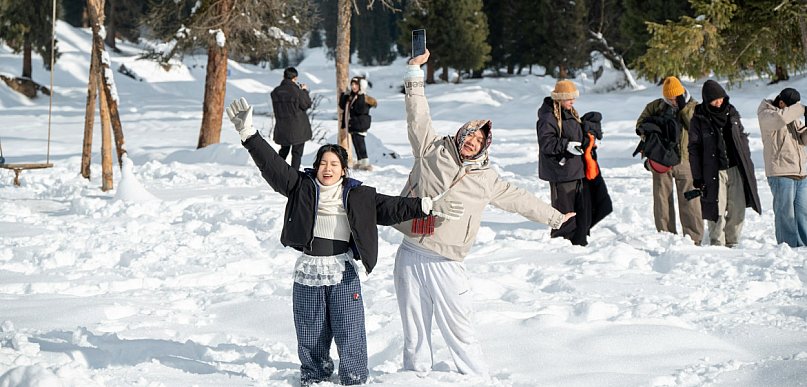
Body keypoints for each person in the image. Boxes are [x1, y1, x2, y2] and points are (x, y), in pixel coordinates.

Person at [226, 97, 465, 386]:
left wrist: (423, 205)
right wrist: (248, 134)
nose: (328, 168)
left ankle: (354, 378)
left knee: (350, 330)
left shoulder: (359, 196)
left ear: (343, 170)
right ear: (315, 168)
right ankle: (314, 376)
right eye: (323, 163)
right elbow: (273, 166)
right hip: (309, 272)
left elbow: (392, 207)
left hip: (342, 273)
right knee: (310, 331)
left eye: (334, 164)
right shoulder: (300, 187)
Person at [392, 50, 575, 377]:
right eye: (470, 135)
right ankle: (414, 378)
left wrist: (555, 218)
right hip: (409, 252)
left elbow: (519, 199)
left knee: (460, 331)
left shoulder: (486, 179)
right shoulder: (431, 150)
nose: (472, 141)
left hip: (446, 261)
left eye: (479, 139)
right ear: (461, 133)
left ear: (485, 145)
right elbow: (417, 113)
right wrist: (414, 74)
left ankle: (477, 378)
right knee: (414, 332)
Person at [536, 80, 610, 246]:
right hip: (561, 172)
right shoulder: (548, 117)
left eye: (573, 98)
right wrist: (566, 145)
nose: (572, 101)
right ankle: (562, 243)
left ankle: (577, 241)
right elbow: (546, 143)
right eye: (569, 98)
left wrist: (588, 139)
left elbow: (574, 135)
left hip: (575, 169)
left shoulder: (569, 113)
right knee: (564, 210)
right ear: (560, 98)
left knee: (579, 208)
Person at [689, 80, 761, 247]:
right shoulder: (699, 119)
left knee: (738, 209)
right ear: (707, 101)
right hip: (714, 171)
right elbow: (694, 149)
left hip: (735, 168)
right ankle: (717, 243)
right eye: (715, 100)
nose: (719, 102)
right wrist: (698, 177)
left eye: (721, 98)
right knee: (717, 210)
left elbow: (742, 136)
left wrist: (746, 157)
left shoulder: (732, 114)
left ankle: (733, 241)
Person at [635, 76, 704, 244]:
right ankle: (666, 236)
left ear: (682, 93)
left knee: (691, 200)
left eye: (675, 98)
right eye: (669, 98)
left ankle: (694, 238)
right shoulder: (655, 106)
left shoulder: (694, 107)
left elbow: (696, 129)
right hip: (661, 160)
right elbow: (640, 126)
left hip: (687, 161)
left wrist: (682, 108)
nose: (672, 101)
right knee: (662, 199)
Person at [757, 87, 807, 247]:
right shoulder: (766, 114)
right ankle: (788, 248)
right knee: (786, 214)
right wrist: (802, 108)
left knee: (802, 214)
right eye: (791, 107)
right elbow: (780, 119)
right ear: (781, 102)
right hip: (781, 173)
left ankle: (804, 246)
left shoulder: (791, 117)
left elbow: (803, 139)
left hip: (800, 172)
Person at [270, 67, 313, 170]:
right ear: (295, 78)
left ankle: (276, 170)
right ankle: (294, 174)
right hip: (298, 128)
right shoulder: (297, 92)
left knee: (283, 150)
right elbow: (306, 104)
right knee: (297, 153)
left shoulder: (275, 92)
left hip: (282, 127)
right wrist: (304, 91)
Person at [339, 77, 374, 171]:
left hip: (360, 124)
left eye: (356, 84)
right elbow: (342, 106)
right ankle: (360, 161)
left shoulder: (363, 97)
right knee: (355, 143)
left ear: (361, 86)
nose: (353, 86)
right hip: (353, 125)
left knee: (360, 143)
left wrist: (361, 95)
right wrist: (344, 94)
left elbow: (360, 109)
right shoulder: (352, 96)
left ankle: (365, 162)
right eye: (352, 84)